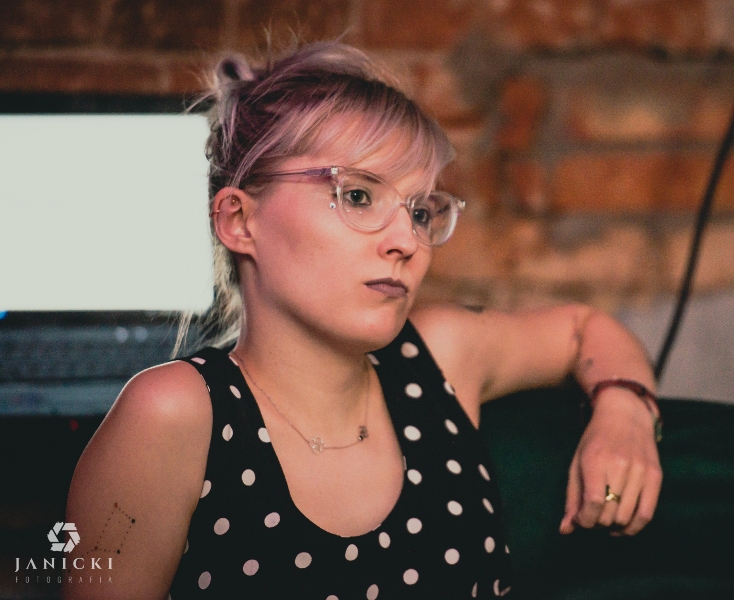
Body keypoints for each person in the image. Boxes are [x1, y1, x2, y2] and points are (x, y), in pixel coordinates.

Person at [63, 41, 662, 600]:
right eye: (357, 196)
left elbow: (583, 329)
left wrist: (625, 412)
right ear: (240, 221)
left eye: (420, 211)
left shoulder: (440, 356)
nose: (407, 240)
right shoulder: (174, 414)